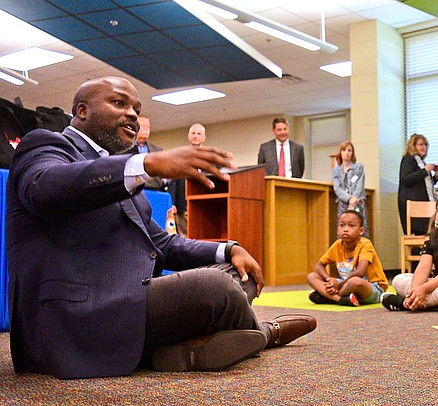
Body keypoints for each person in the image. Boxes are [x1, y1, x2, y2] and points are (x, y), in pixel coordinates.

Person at [6, 77, 317, 379]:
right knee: (217, 289)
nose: (133, 115)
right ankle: (262, 333)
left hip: (132, 298)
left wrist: (228, 249)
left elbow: (164, 245)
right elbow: (44, 190)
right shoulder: (47, 144)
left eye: (137, 110)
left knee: (237, 274)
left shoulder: (122, 173)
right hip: (74, 318)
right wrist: (146, 165)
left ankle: (193, 344)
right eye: (119, 103)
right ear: (83, 111)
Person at [306, 210, 387, 306]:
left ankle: (326, 296)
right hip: (345, 286)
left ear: (361, 231)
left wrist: (338, 286)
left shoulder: (365, 244)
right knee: (311, 276)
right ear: (337, 230)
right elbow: (319, 265)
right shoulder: (337, 245)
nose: (345, 229)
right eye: (342, 225)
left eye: (351, 226)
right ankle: (340, 299)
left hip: (372, 287)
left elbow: (360, 272)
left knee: (355, 282)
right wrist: (329, 280)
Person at [167, 123, 205, 236]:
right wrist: (172, 203)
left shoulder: (209, 158)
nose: (196, 136)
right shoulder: (180, 156)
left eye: (199, 134)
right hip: (183, 205)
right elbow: (174, 182)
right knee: (184, 238)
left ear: (204, 137)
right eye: (193, 133)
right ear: (188, 136)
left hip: (203, 205)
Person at [398, 133, 438, 235]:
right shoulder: (409, 159)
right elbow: (406, 179)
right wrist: (425, 171)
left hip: (423, 203)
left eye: (425, 145)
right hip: (413, 204)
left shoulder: (421, 162)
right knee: (420, 233)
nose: (424, 147)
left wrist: (436, 177)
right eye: (421, 144)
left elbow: (423, 185)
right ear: (413, 145)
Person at [332, 141, 368, 237]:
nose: (347, 153)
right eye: (344, 150)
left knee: (360, 230)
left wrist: (354, 198)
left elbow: (360, 185)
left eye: (349, 150)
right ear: (340, 152)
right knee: (343, 231)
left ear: (352, 153)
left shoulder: (359, 167)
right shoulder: (336, 170)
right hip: (343, 203)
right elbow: (337, 188)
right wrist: (349, 198)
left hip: (358, 202)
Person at [133, 115, 166, 190]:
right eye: (143, 126)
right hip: (134, 190)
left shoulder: (158, 150)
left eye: (148, 127)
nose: (146, 129)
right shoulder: (125, 149)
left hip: (155, 190)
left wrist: (165, 180)